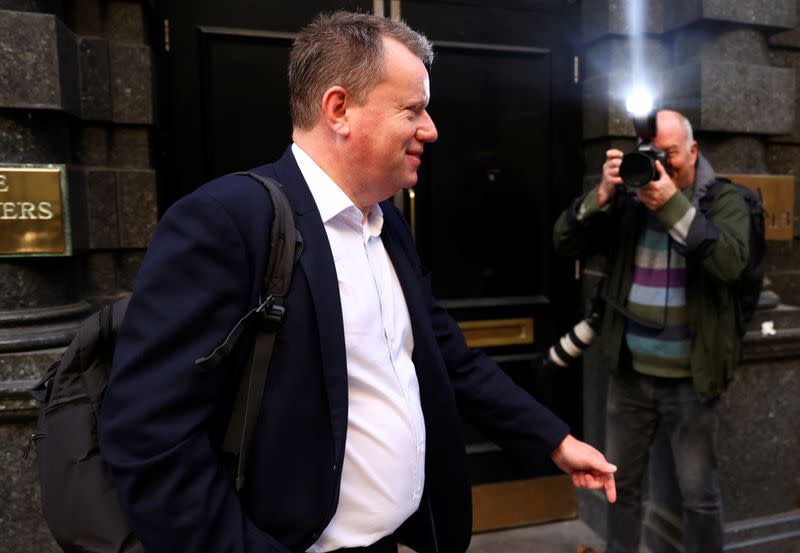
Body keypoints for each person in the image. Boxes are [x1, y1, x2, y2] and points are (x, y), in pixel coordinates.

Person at [99, 11, 616, 553]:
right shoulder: (225, 223)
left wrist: (553, 440)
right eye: (413, 110)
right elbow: (150, 442)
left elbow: (447, 356)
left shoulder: (385, 221)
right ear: (340, 110)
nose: (431, 129)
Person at [553, 109, 750, 553]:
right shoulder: (628, 202)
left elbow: (731, 263)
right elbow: (563, 242)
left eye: (671, 154)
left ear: (694, 151)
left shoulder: (724, 200)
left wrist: (672, 205)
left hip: (691, 380)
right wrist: (601, 194)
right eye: (651, 154)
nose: (660, 164)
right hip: (629, 375)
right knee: (619, 488)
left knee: (699, 498)